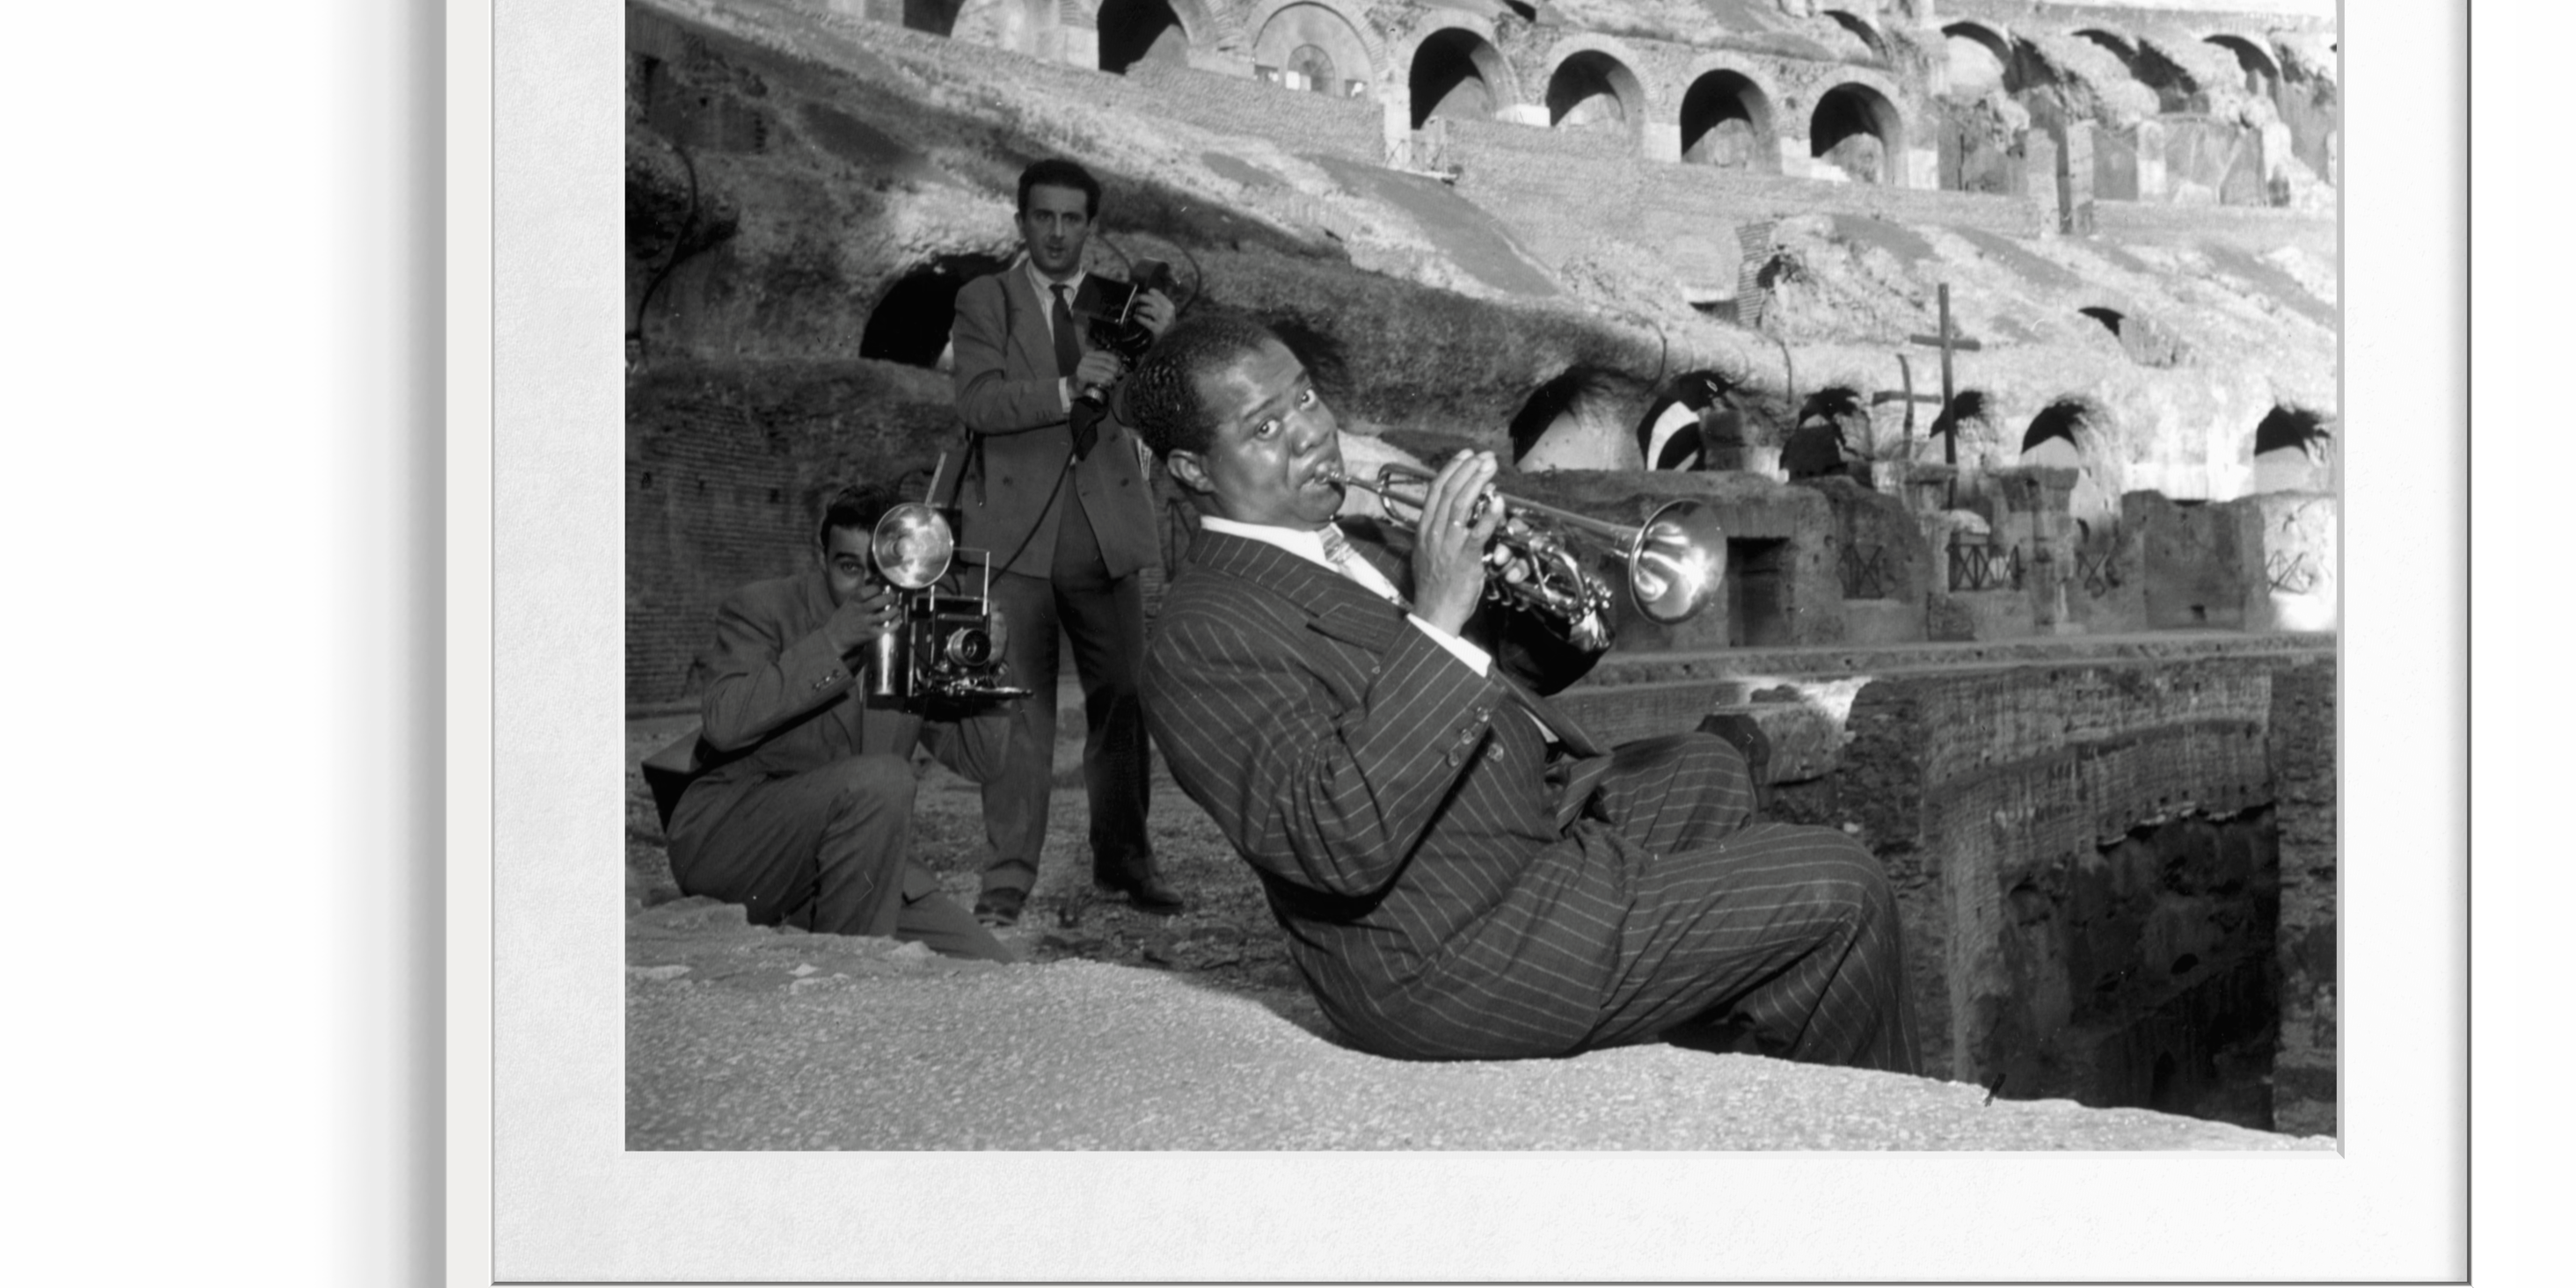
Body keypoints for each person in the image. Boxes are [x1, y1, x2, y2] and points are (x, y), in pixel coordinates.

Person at [1127, 315, 1922, 1074]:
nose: (1308, 432)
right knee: (1842, 887)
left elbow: (1491, 687)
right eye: (1263, 429)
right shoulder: (1201, 634)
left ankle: (1715, 1053)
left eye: (1304, 396)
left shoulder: (1344, 544)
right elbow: (1333, 840)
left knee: (1707, 769)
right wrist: (1437, 611)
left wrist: (1545, 601)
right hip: (1444, 944)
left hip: (1509, 827)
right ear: (1194, 470)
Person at [639, 484, 1020, 960]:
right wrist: (832, 643)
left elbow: (981, 762)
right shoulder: (762, 609)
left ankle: (843, 951)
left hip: (850, 866)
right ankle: (846, 981)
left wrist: (986, 667)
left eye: (883, 570)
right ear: (821, 559)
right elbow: (724, 722)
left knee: (996, 967)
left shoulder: (913, 629)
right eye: (849, 568)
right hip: (736, 847)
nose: (867, 586)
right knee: (883, 778)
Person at [947, 156, 1180, 925]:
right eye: (1041, 217)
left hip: (1106, 535)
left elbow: (1166, 414)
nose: (1055, 232)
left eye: (1070, 218)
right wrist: (1065, 387)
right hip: (1015, 541)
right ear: (1020, 222)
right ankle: (1006, 880)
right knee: (1017, 713)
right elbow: (978, 402)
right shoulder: (987, 300)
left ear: (1090, 226)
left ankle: (1126, 863)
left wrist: (1168, 347)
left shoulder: (1122, 305)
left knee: (1120, 703)